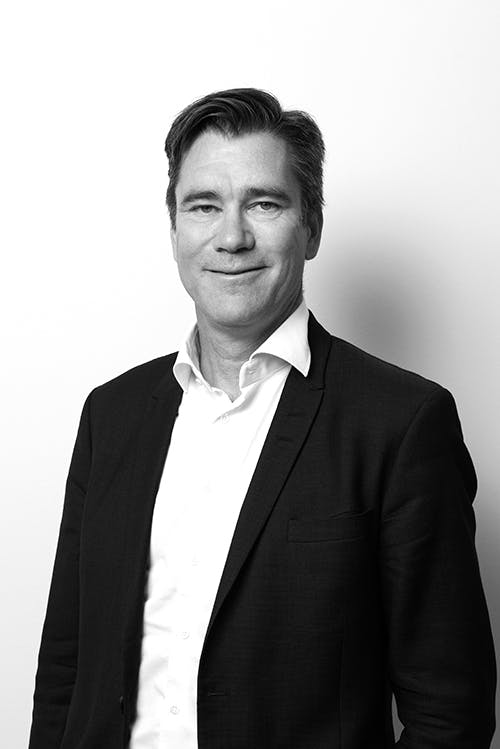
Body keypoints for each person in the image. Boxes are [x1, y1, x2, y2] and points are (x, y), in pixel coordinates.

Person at [29, 88, 496, 749]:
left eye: (264, 203)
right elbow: (66, 665)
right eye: (204, 205)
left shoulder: (401, 423)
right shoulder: (112, 414)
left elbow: (450, 713)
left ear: (312, 227)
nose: (232, 237)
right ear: (174, 230)